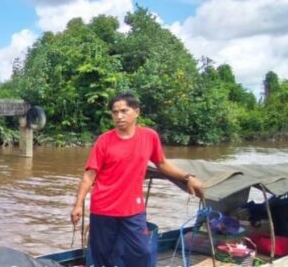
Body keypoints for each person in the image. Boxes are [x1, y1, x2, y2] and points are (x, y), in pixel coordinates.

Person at [70, 91, 205, 267]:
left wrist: (187, 178)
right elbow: (89, 175)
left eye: (124, 111)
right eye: (115, 112)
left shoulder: (149, 137)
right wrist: (78, 204)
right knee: (102, 255)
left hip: (133, 210)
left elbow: (162, 164)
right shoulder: (104, 141)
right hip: (103, 209)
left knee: (142, 252)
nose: (119, 116)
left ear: (137, 112)